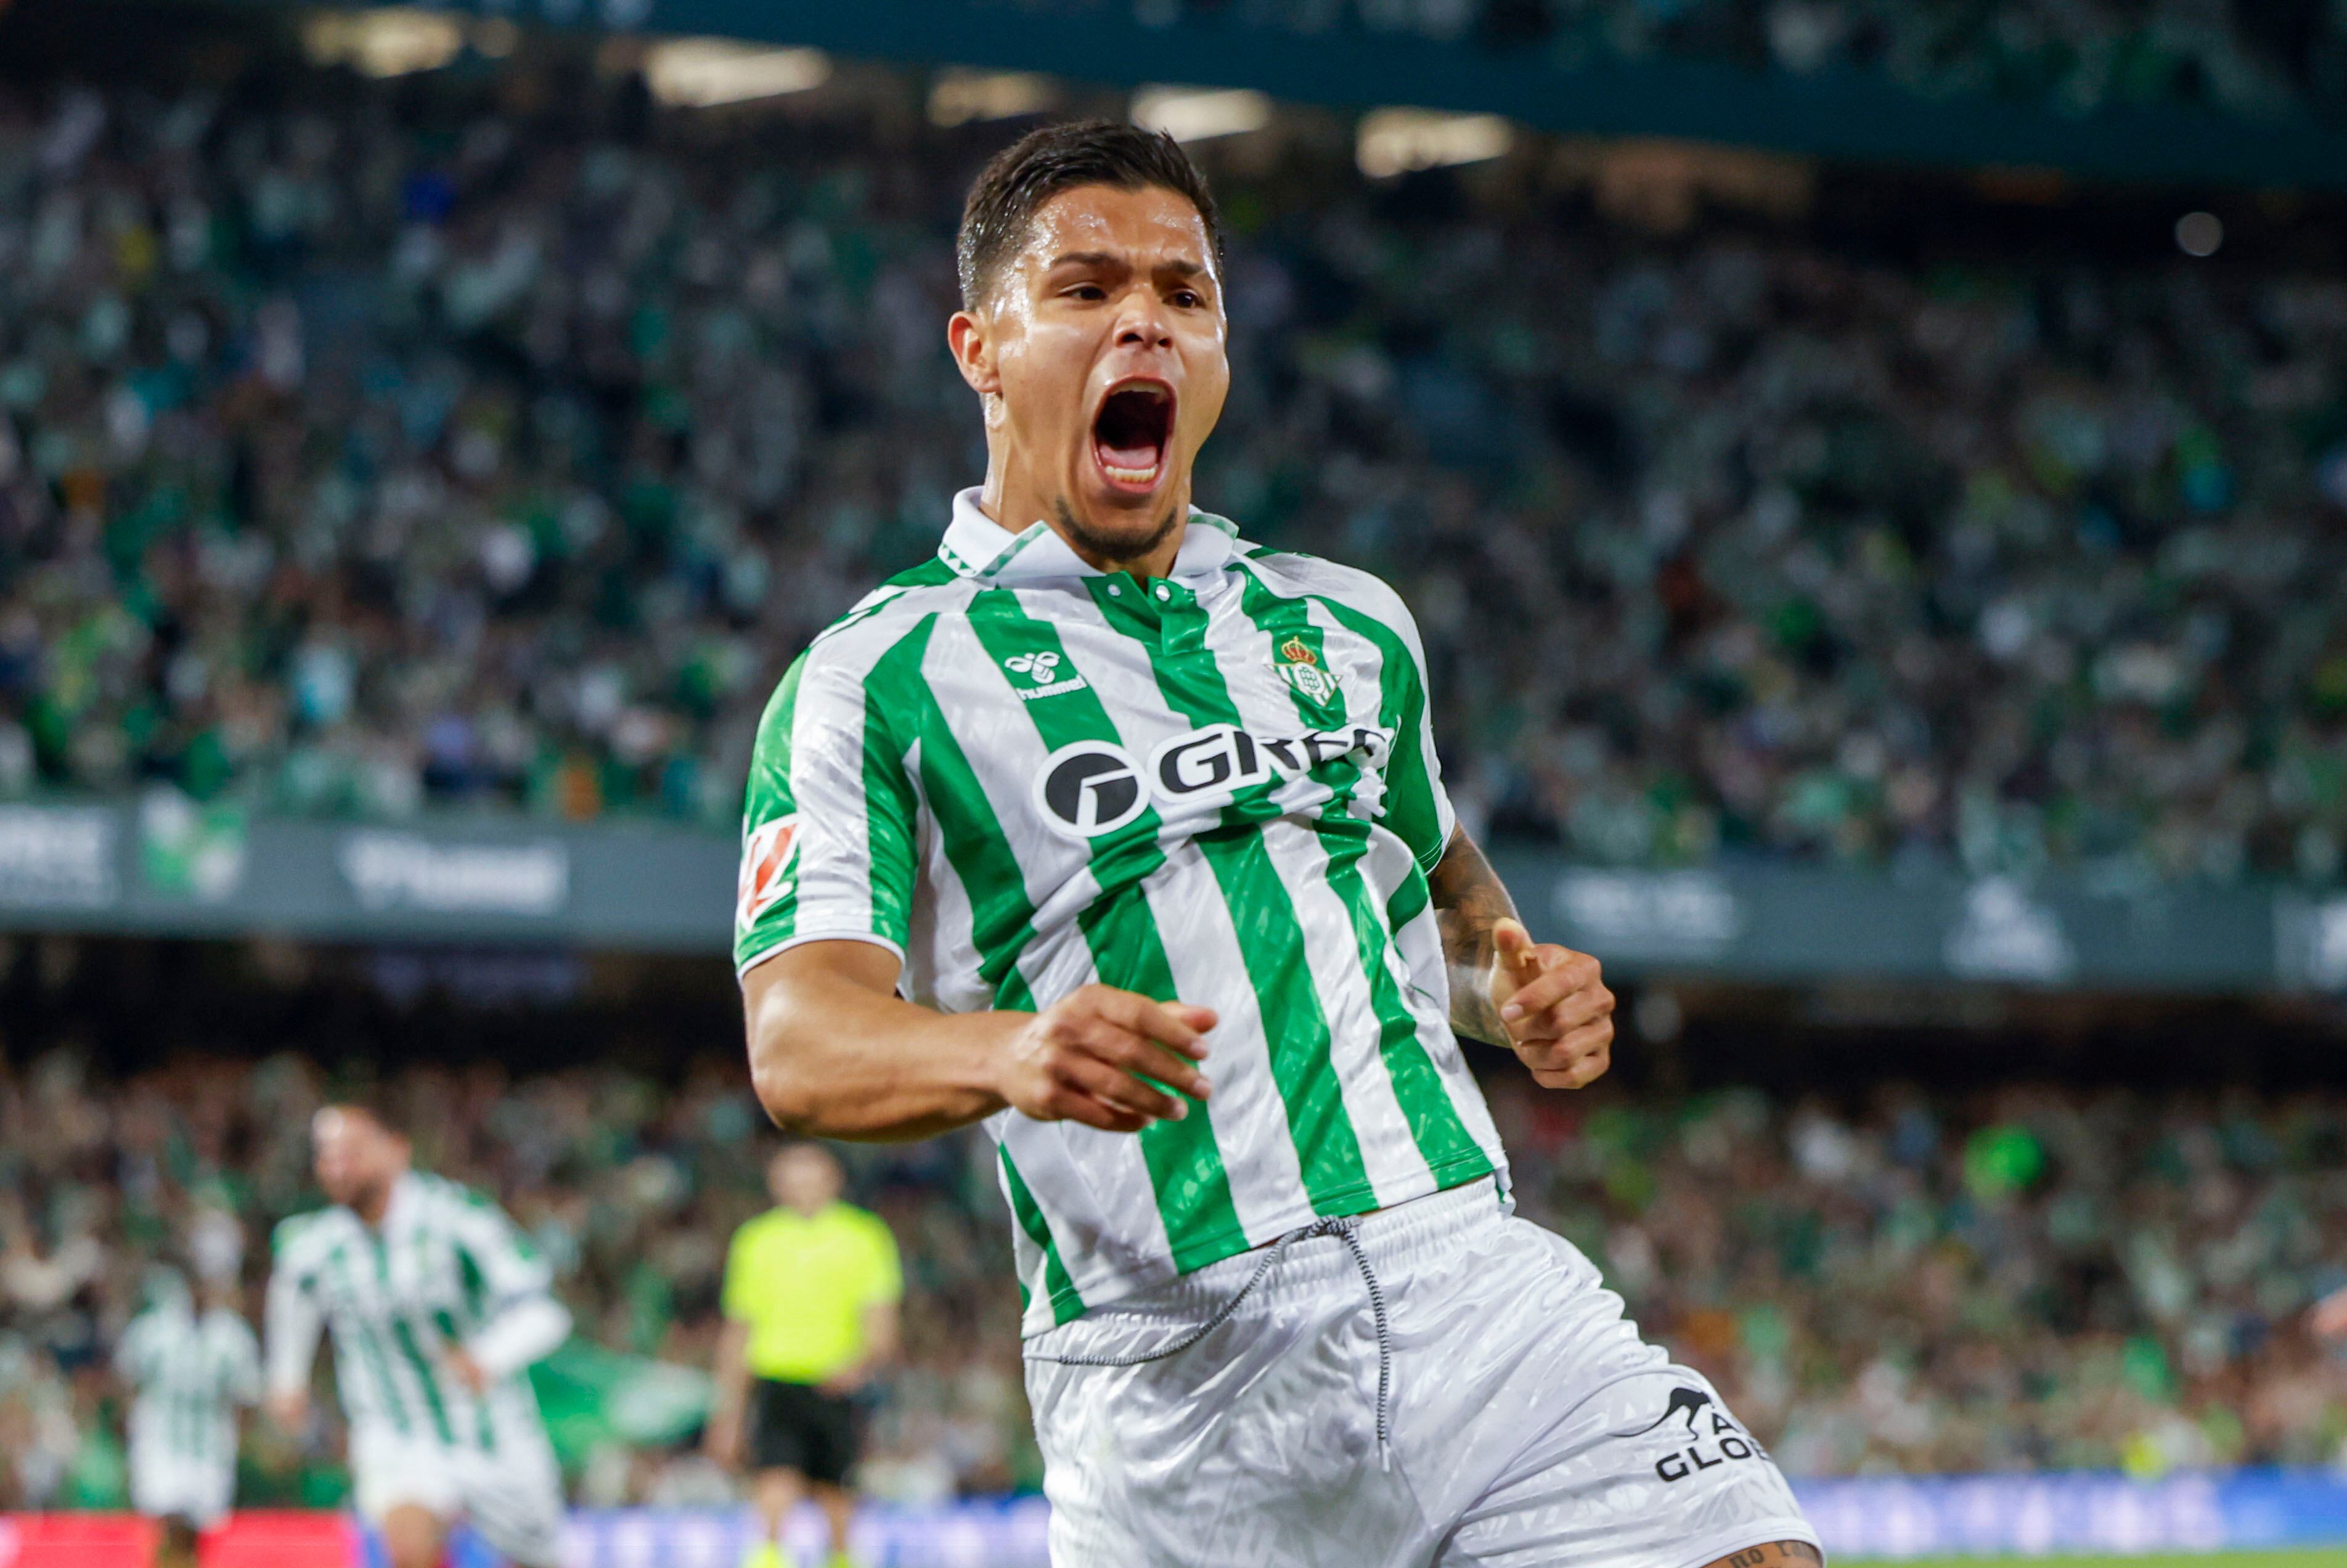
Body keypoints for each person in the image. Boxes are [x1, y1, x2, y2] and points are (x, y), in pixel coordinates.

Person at [734, 117, 1821, 1568]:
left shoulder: (1348, 623)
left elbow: (1445, 905)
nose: (1146, 319)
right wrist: (1007, 1051)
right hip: (1178, 1379)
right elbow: (799, 1040)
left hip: (1473, 1290)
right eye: (1086, 288)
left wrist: (1513, 991)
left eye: (1186, 295)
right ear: (979, 348)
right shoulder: (878, 675)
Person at [263, 1103, 572, 1568]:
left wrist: (488, 1356)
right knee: (409, 1549)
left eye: (352, 1152)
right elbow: (293, 1296)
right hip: (397, 1433)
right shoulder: (315, 1244)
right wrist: (287, 1378)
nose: (338, 1167)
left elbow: (545, 1310)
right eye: (327, 1156)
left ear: (397, 1151)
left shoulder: (458, 1219)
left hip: (492, 1432)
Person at [706, 1143, 902, 1568]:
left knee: (837, 1493)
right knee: (775, 1483)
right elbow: (738, 1330)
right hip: (777, 1379)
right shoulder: (757, 1240)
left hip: (837, 1384)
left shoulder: (864, 1237)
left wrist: (860, 1366)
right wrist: (728, 1413)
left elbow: (881, 1320)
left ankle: (841, 1558)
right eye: (792, 1177)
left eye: (811, 1176)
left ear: (835, 1180)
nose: (802, 1187)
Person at [116, 1263, 260, 1567]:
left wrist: (237, 1442)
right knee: (166, 1522)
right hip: (160, 1444)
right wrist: (132, 1431)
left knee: (199, 1532)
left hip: (210, 1448)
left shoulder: (233, 1337)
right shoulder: (153, 1331)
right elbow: (126, 1381)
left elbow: (246, 1398)